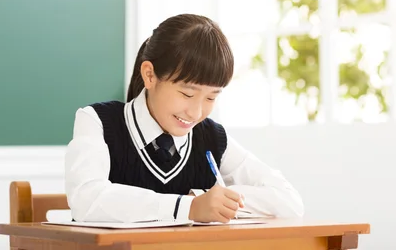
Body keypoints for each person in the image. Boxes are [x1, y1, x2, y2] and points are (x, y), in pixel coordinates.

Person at [65, 14, 304, 223]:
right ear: (150, 75)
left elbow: (289, 201)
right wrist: (187, 207)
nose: (196, 112)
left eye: (211, 98)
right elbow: (87, 200)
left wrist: (205, 199)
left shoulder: (211, 136)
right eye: (187, 93)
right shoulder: (97, 121)